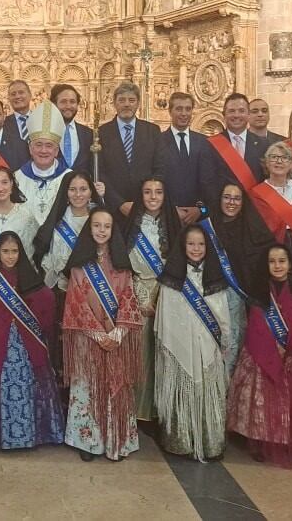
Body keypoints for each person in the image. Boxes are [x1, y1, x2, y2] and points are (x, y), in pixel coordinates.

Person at [0, 232, 64, 449]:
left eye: (14, 251)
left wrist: (29, 319)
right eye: (5, 251)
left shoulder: (27, 276)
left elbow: (46, 298)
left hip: (24, 340)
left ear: (21, 253)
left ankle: (29, 434)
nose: (10, 256)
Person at [227, 245, 292, 467]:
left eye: (282, 261)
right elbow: (256, 324)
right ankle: (265, 442)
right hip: (263, 352)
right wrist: (272, 350)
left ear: (290, 263)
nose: (277, 266)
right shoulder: (259, 289)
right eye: (272, 261)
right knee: (263, 400)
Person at [62, 209, 143, 461]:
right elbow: (76, 306)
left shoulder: (122, 266)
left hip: (116, 340)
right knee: (87, 389)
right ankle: (88, 442)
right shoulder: (78, 268)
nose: (101, 230)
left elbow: (129, 300)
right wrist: (98, 335)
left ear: (112, 231)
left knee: (115, 390)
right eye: (96, 225)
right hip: (88, 340)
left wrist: (117, 334)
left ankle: (116, 441)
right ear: (89, 229)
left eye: (106, 226)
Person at [153, 224, 234, 459]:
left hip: (208, 344)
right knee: (183, 388)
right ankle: (181, 442)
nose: (196, 249)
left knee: (208, 390)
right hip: (179, 348)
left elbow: (223, 316)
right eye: (191, 244)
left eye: (201, 244)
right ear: (182, 246)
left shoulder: (215, 276)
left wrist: (222, 342)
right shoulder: (171, 277)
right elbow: (165, 317)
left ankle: (210, 443)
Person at [124, 177, 181, 423]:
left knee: (163, 353)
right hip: (137, 294)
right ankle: (137, 411)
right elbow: (124, 266)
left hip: (167, 295)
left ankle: (161, 412)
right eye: (147, 192)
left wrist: (160, 297)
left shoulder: (173, 226)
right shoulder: (129, 226)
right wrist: (142, 297)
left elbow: (179, 265)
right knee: (139, 355)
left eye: (158, 192)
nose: (153, 197)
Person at [210, 182, 275, 373]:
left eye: (237, 198)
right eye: (227, 197)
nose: (232, 202)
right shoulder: (207, 227)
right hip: (213, 300)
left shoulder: (253, 229)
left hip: (245, 301)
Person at [97, 82, 161, 217]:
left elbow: (158, 168)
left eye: (131, 100)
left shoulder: (152, 131)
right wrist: (119, 203)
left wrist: (146, 199)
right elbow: (100, 172)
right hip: (113, 209)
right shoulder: (101, 133)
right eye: (121, 100)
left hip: (147, 207)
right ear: (114, 103)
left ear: (138, 103)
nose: (126, 104)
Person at [156, 92, 219, 223]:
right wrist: (171, 211)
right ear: (170, 111)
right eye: (179, 109)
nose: (184, 113)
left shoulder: (205, 142)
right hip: (167, 218)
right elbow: (156, 180)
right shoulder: (157, 142)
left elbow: (210, 183)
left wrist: (200, 209)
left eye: (188, 109)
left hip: (198, 219)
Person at [15, 102, 72, 225]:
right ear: (30, 149)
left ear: (56, 151)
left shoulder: (69, 178)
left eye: (49, 145)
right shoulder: (17, 178)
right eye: (38, 145)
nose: (43, 150)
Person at [249, 141, 292, 246]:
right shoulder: (255, 194)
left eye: (285, 158)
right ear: (267, 163)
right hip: (268, 248)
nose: (279, 161)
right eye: (274, 157)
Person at [210, 93, 268, 191]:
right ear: (224, 115)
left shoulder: (264, 145)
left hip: (254, 204)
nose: (236, 115)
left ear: (248, 114)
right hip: (222, 204)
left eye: (241, 111)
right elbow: (208, 182)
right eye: (231, 111)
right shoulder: (210, 145)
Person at [50, 83, 93, 173]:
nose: (68, 106)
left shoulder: (89, 134)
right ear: (54, 104)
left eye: (72, 102)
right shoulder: (46, 134)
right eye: (63, 102)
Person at [2, 79, 33, 165]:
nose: (17, 96)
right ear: (9, 98)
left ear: (30, 95)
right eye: (13, 94)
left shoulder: (42, 120)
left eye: (21, 92)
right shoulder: (3, 124)